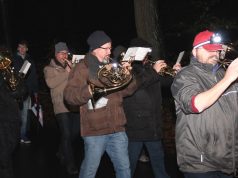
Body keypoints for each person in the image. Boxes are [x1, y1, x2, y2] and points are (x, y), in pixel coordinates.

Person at [63, 30, 138, 178]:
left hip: (117, 127)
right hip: (95, 130)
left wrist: (129, 75)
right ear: (95, 48)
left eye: (111, 48)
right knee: (89, 171)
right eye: (107, 48)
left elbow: (127, 91)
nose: (110, 52)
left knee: (124, 169)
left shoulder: (111, 65)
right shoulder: (82, 68)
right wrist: (89, 90)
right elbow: (69, 96)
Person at [171, 30, 238, 178]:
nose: (214, 54)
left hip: (228, 160)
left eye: (217, 51)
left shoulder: (226, 74)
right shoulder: (185, 75)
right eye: (208, 50)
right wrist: (228, 78)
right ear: (195, 51)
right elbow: (195, 104)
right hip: (200, 163)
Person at [121, 38, 181, 178]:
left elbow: (165, 82)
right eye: (145, 51)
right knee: (129, 164)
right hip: (135, 126)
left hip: (153, 124)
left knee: (159, 162)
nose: (148, 55)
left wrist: (176, 74)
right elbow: (135, 84)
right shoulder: (127, 69)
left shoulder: (148, 67)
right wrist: (154, 72)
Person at [43, 42, 80, 175]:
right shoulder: (49, 68)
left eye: (66, 52)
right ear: (56, 54)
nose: (64, 55)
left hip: (74, 104)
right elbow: (50, 83)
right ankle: (70, 164)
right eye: (61, 52)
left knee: (75, 133)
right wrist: (67, 72)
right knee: (67, 134)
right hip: (60, 105)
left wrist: (76, 70)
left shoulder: (71, 66)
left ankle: (61, 150)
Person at [0, 48, 25, 178]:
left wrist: (18, 92)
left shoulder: (9, 70)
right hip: (2, 116)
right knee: (4, 153)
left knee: (12, 144)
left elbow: (22, 88)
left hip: (12, 115)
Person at [12, 40, 39, 144]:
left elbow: (33, 77)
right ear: (17, 48)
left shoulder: (30, 61)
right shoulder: (12, 59)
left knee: (24, 115)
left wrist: (35, 92)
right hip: (14, 93)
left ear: (27, 49)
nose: (22, 49)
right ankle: (14, 135)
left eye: (24, 47)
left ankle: (22, 135)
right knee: (15, 114)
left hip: (27, 92)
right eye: (20, 47)